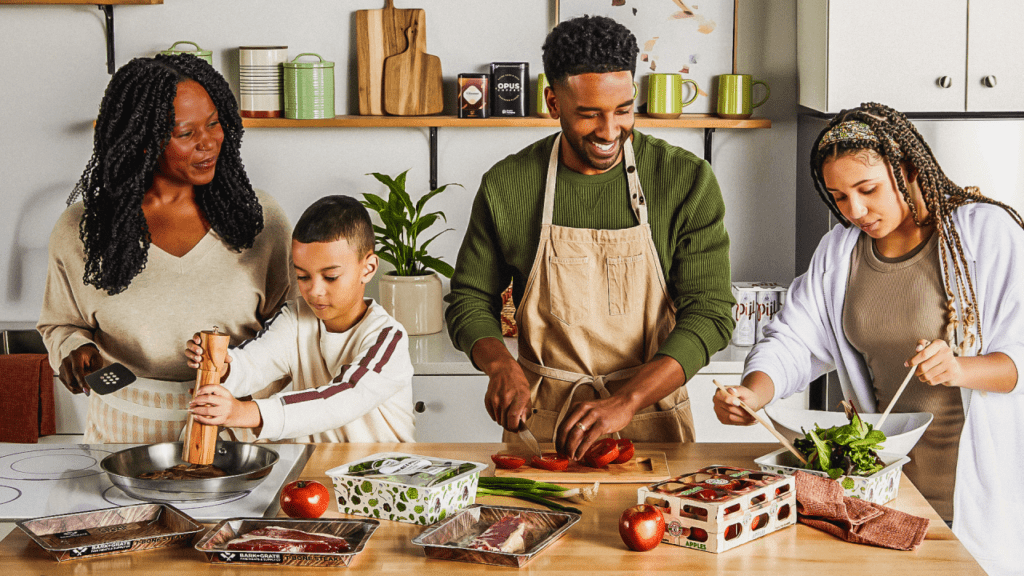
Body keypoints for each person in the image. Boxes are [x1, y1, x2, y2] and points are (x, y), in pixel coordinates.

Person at [712, 103, 1024, 575]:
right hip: (886, 499)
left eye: (868, 189)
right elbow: (793, 338)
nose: (854, 210)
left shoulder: (983, 234)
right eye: (838, 197)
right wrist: (753, 393)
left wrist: (961, 368)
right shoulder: (840, 251)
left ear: (908, 170)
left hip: (978, 502)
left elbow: (1019, 359)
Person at [445, 15, 734, 460]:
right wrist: (500, 364)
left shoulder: (684, 180)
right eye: (589, 114)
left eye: (623, 109)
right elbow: (469, 299)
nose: (610, 131)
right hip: (541, 425)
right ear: (553, 102)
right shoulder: (508, 184)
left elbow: (710, 315)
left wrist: (627, 401)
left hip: (652, 421)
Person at [36, 54, 294, 444]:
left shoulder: (260, 220)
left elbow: (291, 326)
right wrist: (75, 348)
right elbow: (61, 324)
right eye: (185, 133)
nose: (208, 142)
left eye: (213, 123)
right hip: (122, 429)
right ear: (141, 142)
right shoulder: (81, 230)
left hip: (236, 426)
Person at [183, 195, 415, 443]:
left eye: (331, 276)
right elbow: (255, 362)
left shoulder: (389, 338)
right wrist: (223, 365)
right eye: (303, 276)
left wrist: (244, 412)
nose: (314, 291)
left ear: (368, 268)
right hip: (314, 472)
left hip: (383, 475)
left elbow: (342, 399)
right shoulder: (294, 317)